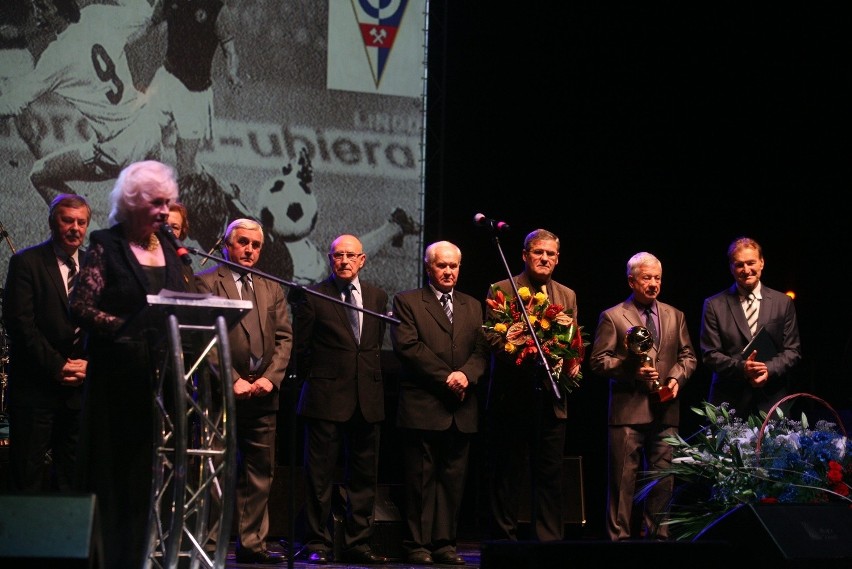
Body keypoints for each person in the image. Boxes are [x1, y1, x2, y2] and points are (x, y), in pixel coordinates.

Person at [68, 160, 188, 569]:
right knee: (114, 480)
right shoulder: (106, 244)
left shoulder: (170, 247)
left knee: (150, 482)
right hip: (116, 385)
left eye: (168, 203)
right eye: (157, 203)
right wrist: (131, 328)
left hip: (160, 386)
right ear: (134, 203)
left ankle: (143, 557)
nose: (164, 212)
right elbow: (80, 307)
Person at [195, 218, 292, 565]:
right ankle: (210, 544)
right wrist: (232, 378)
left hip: (263, 394)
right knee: (216, 469)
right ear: (226, 244)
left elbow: (284, 338)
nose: (250, 250)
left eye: (256, 245)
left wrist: (271, 377)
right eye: (243, 243)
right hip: (222, 395)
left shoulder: (272, 287)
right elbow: (204, 340)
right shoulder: (205, 283)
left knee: (259, 472)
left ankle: (252, 545)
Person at [289, 234, 390, 565]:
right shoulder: (314, 296)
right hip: (325, 397)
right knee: (319, 476)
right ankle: (317, 541)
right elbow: (301, 349)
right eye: (337, 256)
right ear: (329, 260)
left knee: (363, 476)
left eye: (350, 256)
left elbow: (373, 345)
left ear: (362, 260)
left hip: (367, 398)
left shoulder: (377, 296)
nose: (344, 261)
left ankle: (357, 542)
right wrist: (317, 380)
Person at [0, 0, 161, 207]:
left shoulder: (55, 56)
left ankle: (89, 232)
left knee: (39, 174)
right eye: (36, 6)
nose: (37, 13)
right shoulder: (96, 15)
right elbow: (145, 13)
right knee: (154, 215)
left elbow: (15, 103)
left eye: (43, 8)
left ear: (61, 11)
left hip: (119, 148)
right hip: (148, 127)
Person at [390, 241, 488, 566]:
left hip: (461, 408)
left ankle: (445, 543)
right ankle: (417, 544)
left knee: (452, 482)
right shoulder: (407, 302)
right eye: (442, 265)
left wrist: (466, 376)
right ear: (428, 266)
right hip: (424, 405)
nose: (448, 271)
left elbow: (481, 352)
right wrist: (448, 377)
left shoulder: (473, 305)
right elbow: (408, 347)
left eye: (454, 266)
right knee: (420, 480)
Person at [588, 251, 697, 541]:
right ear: (631, 281)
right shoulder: (613, 316)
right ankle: (619, 541)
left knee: (663, 481)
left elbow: (688, 356)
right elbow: (598, 361)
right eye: (646, 278)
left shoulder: (676, 315)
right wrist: (631, 371)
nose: (653, 283)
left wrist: (676, 378)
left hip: (666, 410)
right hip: (628, 411)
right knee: (622, 483)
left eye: (657, 278)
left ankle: (659, 539)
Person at [483, 228, 582, 542]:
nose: (545, 258)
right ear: (525, 255)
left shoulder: (567, 295)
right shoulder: (503, 288)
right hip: (512, 397)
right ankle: (504, 542)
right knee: (508, 474)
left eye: (550, 254)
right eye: (538, 252)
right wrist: (522, 345)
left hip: (552, 398)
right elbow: (493, 339)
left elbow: (574, 343)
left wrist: (569, 360)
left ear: (558, 259)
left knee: (550, 475)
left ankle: (549, 543)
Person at [2, 193, 90, 492]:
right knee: (26, 478)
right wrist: (58, 366)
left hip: (81, 392)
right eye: (68, 220)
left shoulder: (95, 265)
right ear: (53, 221)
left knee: (74, 480)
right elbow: (19, 324)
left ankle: (69, 539)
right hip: (35, 391)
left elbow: (109, 323)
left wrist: (89, 364)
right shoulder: (26, 262)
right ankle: (23, 539)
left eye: (81, 222)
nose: (75, 228)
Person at [700, 236, 802, 417]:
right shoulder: (714, 305)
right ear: (731, 268)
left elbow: (792, 351)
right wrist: (742, 368)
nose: (746, 270)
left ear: (761, 263)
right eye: (739, 265)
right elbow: (710, 354)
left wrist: (767, 370)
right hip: (729, 401)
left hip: (771, 400)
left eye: (751, 263)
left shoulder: (783, 302)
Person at [148, 0, 242, 180]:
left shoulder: (217, 9)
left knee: (185, 161)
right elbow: (149, 23)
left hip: (194, 92)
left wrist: (232, 72)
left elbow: (230, 50)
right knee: (146, 137)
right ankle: (148, 194)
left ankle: (212, 188)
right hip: (167, 78)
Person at [167, 201, 197, 290]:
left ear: (181, 233)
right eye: (164, 224)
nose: (168, 231)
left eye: (175, 227)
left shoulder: (186, 268)